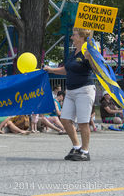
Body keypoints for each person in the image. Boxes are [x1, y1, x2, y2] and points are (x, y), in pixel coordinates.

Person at [44, 28, 96, 161]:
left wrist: (91, 59)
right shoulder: (74, 53)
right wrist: (51, 70)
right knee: (65, 119)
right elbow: (66, 70)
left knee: (83, 122)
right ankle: (76, 147)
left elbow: (97, 69)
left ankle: (85, 151)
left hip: (84, 90)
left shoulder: (88, 51)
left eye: (74, 35)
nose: (72, 37)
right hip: (71, 91)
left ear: (82, 37)